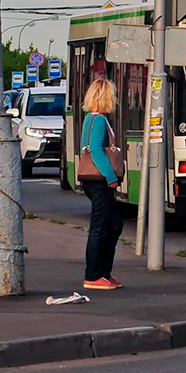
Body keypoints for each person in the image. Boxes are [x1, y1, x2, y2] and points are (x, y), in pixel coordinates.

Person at [79, 78, 125, 291]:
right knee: (100, 227)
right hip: (99, 181)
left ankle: (104, 273)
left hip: (94, 181)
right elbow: (96, 150)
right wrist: (111, 176)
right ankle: (94, 275)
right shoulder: (98, 121)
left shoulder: (92, 119)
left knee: (114, 224)